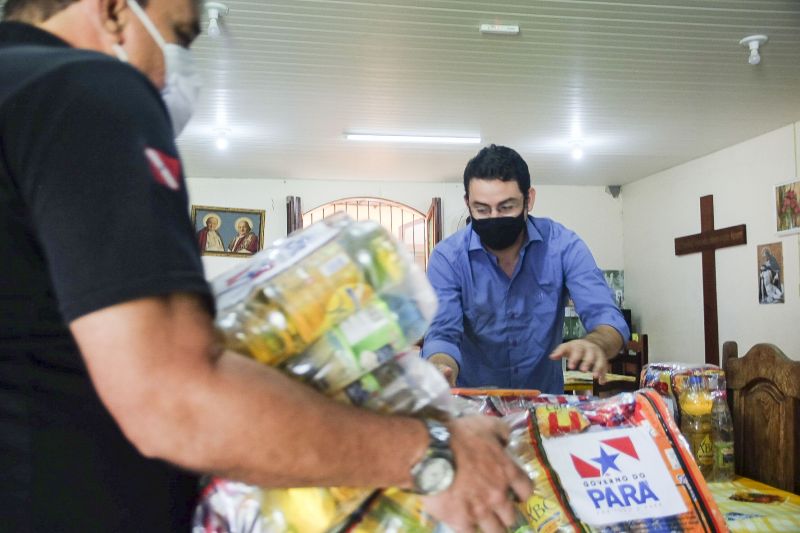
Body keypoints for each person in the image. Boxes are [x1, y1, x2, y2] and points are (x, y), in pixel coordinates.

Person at [0, 2, 530, 532]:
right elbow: (178, 401)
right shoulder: (81, 87)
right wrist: (432, 453)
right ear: (115, 10)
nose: (174, 71)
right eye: (179, 38)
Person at [422, 145, 630, 393]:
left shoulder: (562, 246)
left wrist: (595, 343)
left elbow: (608, 318)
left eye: (506, 207)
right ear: (468, 203)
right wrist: (440, 368)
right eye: (482, 209)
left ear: (528, 199)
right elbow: (442, 334)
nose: (494, 217)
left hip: (544, 408)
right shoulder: (448, 259)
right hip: (474, 410)